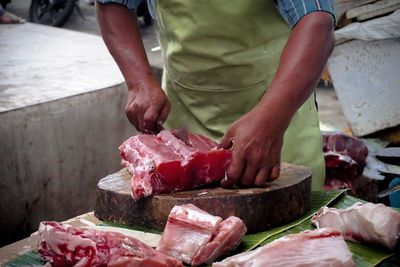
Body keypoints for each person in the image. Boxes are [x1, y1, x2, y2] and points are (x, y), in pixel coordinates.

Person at [95, 0, 335, 190]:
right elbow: (113, 3)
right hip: (184, 125)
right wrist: (139, 81)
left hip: (278, 118)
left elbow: (317, 22)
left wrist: (271, 120)